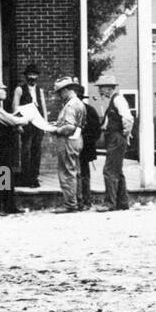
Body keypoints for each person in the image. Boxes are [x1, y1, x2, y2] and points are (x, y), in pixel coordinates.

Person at [0, 80, 29, 216]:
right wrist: (25, 119)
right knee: (1, 174)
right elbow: (10, 120)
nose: (5, 92)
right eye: (2, 89)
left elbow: (6, 118)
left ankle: (8, 205)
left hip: (1, 145)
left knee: (5, 174)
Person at [96, 75, 133, 211]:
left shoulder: (118, 99)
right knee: (117, 170)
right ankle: (122, 202)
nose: (100, 90)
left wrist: (123, 134)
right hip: (114, 137)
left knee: (109, 170)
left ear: (109, 88)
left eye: (102, 87)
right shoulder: (113, 100)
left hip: (116, 137)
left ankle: (110, 203)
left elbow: (128, 119)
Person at [50, 77, 86, 212]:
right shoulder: (78, 102)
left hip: (67, 140)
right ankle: (78, 201)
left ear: (65, 90)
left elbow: (69, 126)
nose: (59, 96)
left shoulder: (70, 105)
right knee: (76, 171)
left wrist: (56, 129)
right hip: (77, 139)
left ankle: (70, 204)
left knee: (66, 172)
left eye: (60, 92)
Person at [10, 65, 48, 187]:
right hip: (26, 124)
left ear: (37, 76)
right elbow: (15, 107)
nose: (32, 77)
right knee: (26, 150)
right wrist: (18, 124)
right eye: (30, 74)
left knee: (37, 150)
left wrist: (45, 123)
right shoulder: (19, 89)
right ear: (26, 76)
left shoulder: (39, 90)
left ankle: (34, 177)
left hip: (38, 124)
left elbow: (43, 106)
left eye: (34, 74)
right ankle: (26, 177)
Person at [77, 83, 102, 210]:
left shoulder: (89, 111)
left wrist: (85, 141)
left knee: (84, 174)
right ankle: (78, 200)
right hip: (73, 147)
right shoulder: (69, 109)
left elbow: (96, 130)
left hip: (85, 148)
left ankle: (86, 200)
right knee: (76, 174)